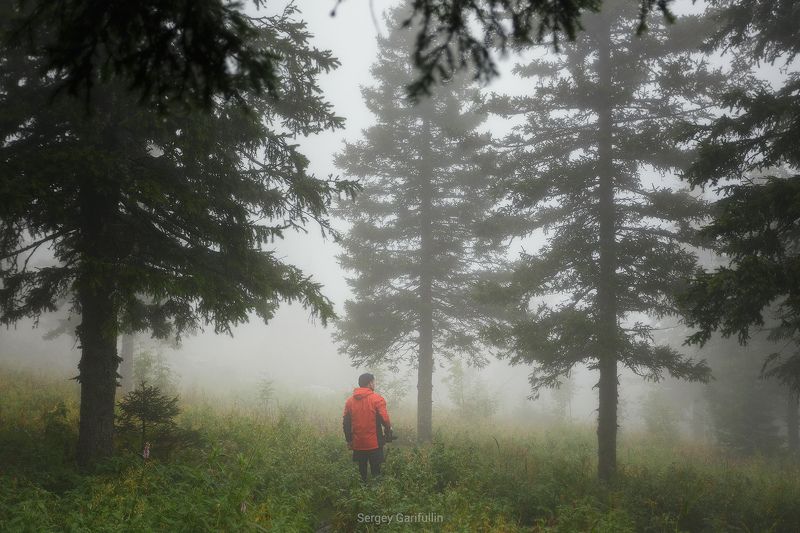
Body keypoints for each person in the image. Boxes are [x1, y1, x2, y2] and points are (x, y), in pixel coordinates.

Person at [343, 373, 393, 481]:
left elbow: (346, 423)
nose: (374, 384)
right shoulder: (377, 399)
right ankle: (377, 494)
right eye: (374, 382)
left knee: (361, 474)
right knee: (377, 473)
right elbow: (385, 419)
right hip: (374, 444)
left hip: (358, 444)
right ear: (370, 383)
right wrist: (388, 430)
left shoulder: (349, 401)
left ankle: (361, 493)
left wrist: (349, 440)